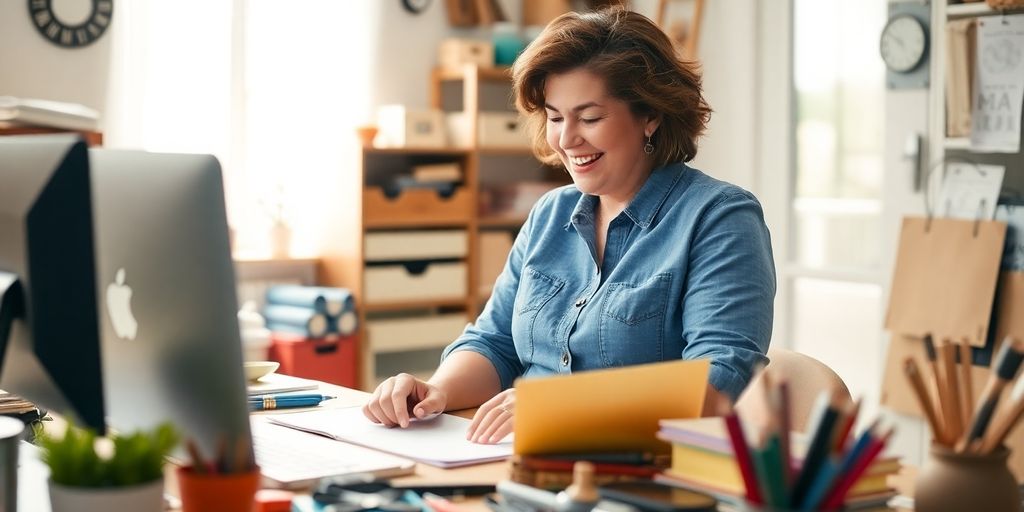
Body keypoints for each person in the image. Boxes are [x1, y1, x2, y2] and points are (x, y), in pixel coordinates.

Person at [362, 7, 775, 444]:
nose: (566, 138)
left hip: (638, 468)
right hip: (522, 456)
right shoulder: (550, 213)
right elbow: (494, 341)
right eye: (556, 117)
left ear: (650, 115)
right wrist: (436, 391)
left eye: (590, 118)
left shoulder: (721, 217)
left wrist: (564, 404)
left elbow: (720, 382)